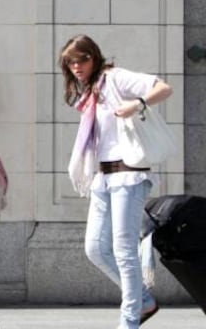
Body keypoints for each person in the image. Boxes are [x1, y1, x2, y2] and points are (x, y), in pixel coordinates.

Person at [60, 34, 172, 329]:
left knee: (124, 250)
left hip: (129, 175)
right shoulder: (91, 93)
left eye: (81, 59)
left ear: (94, 57)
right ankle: (144, 301)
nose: (76, 66)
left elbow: (163, 87)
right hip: (103, 177)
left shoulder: (115, 78)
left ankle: (129, 322)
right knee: (95, 248)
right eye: (70, 62)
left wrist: (137, 105)